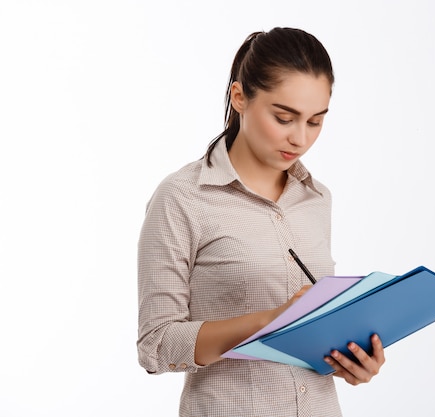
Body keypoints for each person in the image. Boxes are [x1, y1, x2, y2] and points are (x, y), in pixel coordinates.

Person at [137, 27, 385, 417]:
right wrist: (270, 321)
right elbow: (156, 345)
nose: (300, 138)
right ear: (239, 97)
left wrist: (350, 360)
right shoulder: (181, 198)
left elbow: (311, 338)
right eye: (284, 117)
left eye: (315, 121)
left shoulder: (316, 198)